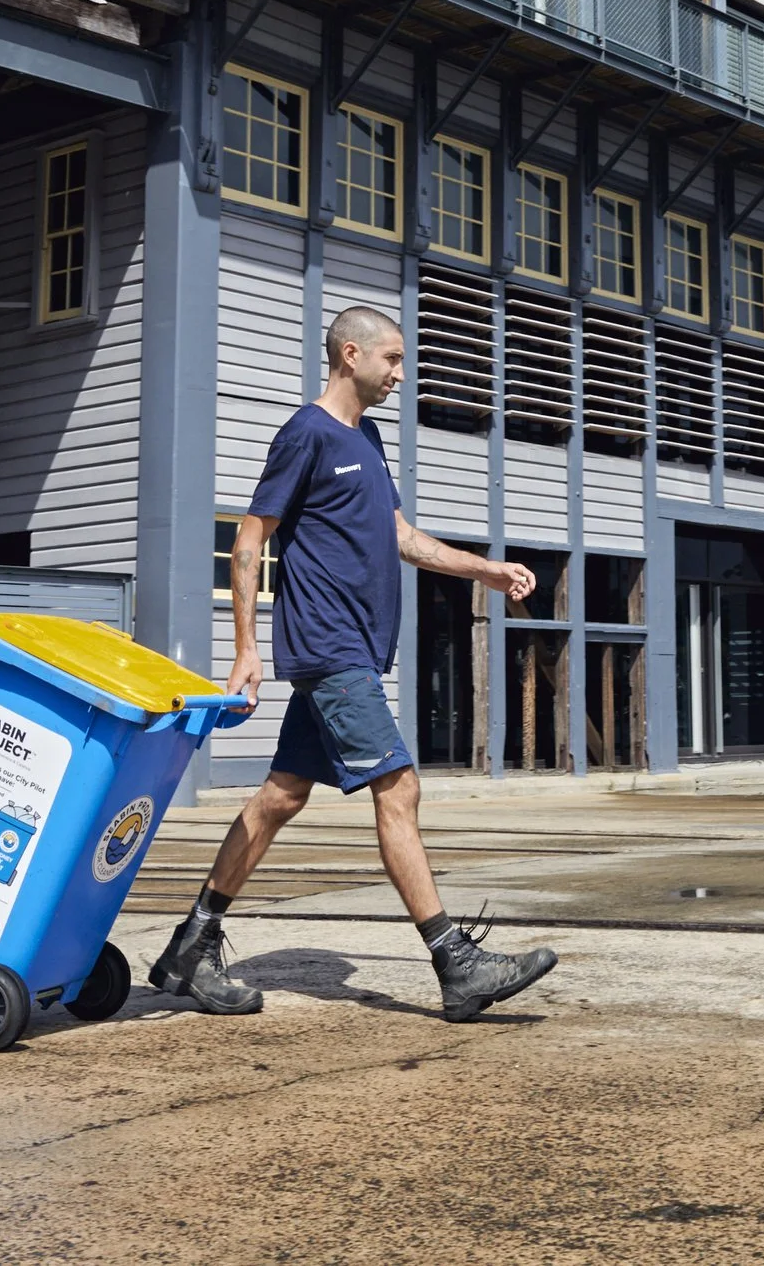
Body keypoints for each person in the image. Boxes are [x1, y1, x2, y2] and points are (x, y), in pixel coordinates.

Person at [149, 306, 560, 1022]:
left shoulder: (364, 437)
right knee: (397, 788)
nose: (401, 374)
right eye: (392, 360)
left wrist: (484, 570)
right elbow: (251, 538)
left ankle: (191, 944)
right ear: (351, 354)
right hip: (330, 647)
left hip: (351, 649)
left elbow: (400, 534)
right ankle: (455, 964)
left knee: (281, 796)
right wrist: (246, 648)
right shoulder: (306, 433)